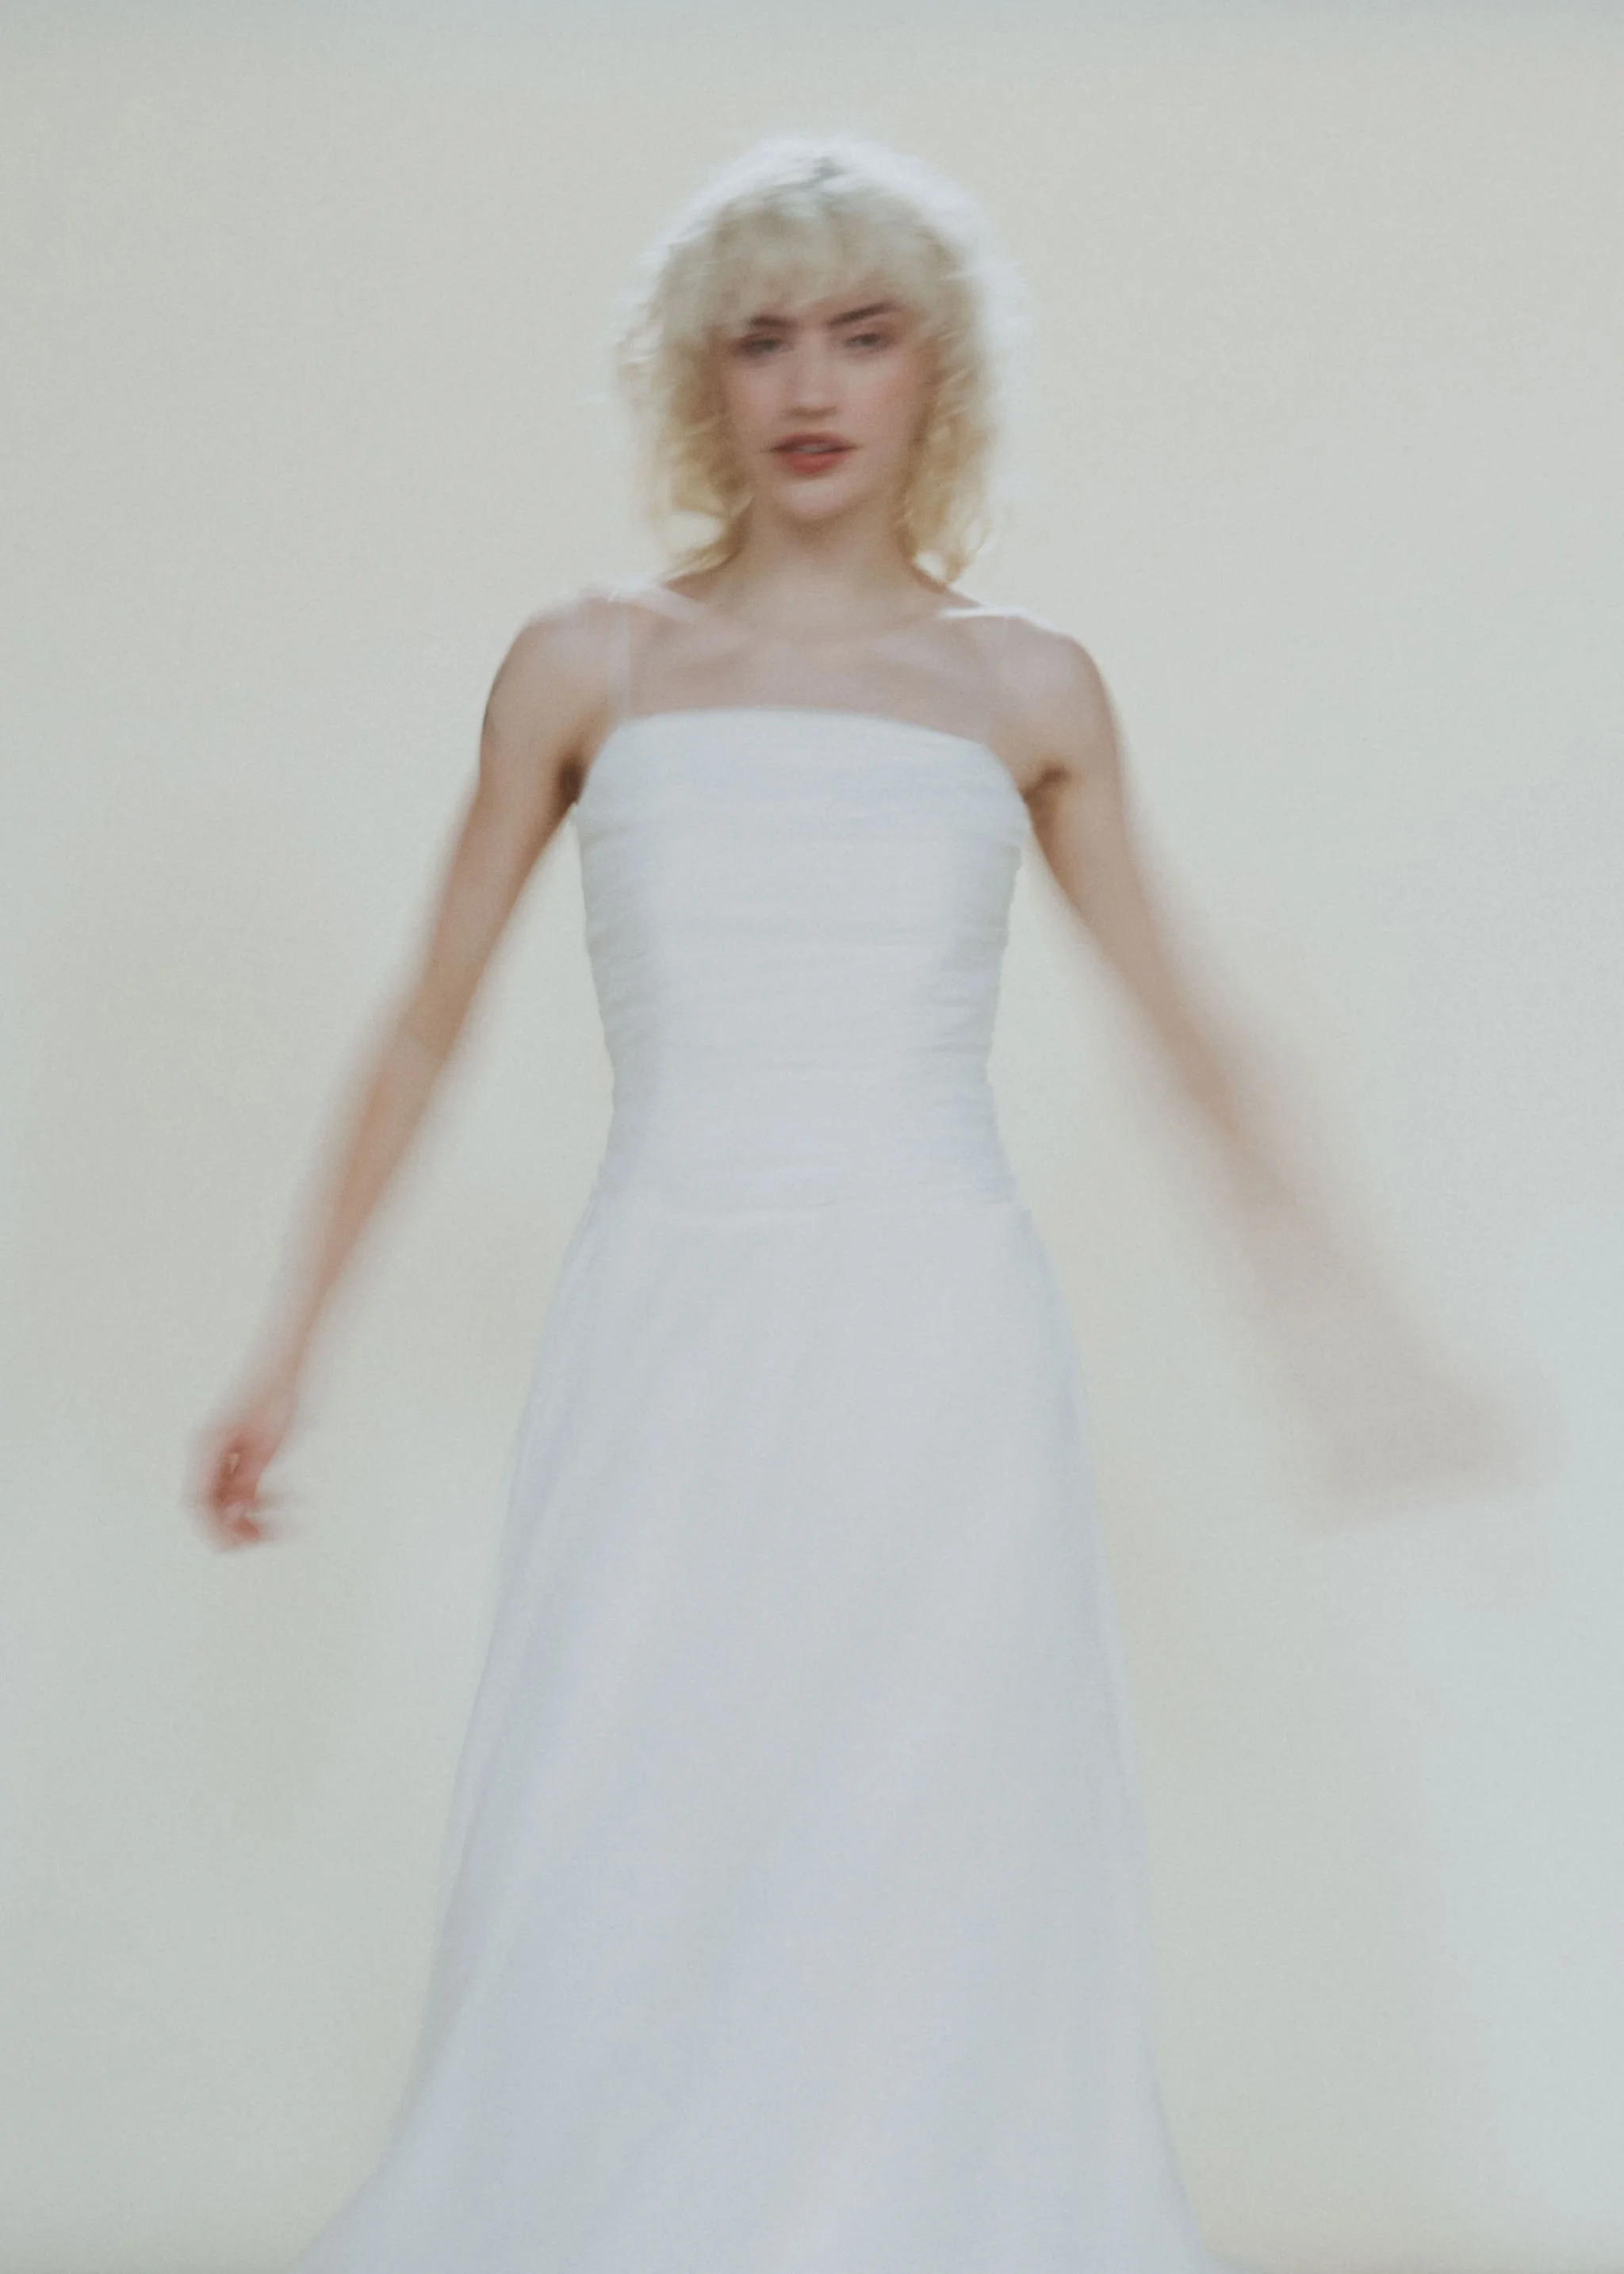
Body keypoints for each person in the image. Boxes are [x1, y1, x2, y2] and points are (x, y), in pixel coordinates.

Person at [191, 132, 1503, 2274]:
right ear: (696, 382)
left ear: (939, 376)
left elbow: (1196, 1037)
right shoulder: (585, 668)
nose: (811, 384)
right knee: (637, 1793)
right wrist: (287, 1357)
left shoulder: (1024, 690)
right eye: (761, 338)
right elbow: (423, 1026)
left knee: (926, 1811)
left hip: (935, 1336)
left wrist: (1360, 1341)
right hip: (670, 1326)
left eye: (865, 334)